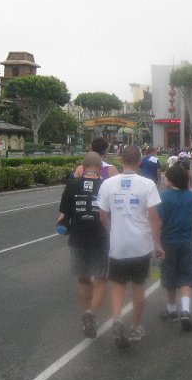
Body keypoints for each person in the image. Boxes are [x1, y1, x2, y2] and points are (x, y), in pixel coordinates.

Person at [97, 146, 163, 349]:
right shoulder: (147, 184)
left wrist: (112, 231)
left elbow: (102, 215)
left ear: (121, 160)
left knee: (117, 284)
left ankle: (117, 318)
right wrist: (158, 244)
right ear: (139, 162)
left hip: (118, 244)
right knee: (138, 285)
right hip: (140, 245)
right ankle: (135, 326)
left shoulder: (107, 184)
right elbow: (153, 217)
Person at [57, 152, 109, 338]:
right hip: (100, 238)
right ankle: (91, 314)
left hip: (77, 238)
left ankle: (87, 311)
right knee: (101, 279)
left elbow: (62, 217)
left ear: (83, 166)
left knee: (84, 279)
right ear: (100, 166)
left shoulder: (71, 184)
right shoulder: (105, 185)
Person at [157, 164, 192, 331]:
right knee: (186, 275)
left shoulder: (164, 197)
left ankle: (171, 310)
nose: (165, 180)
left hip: (168, 242)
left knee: (169, 275)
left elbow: (159, 222)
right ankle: (185, 310)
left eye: (167, 178)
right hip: (186, 241)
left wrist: (156, 241)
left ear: (172, 180)